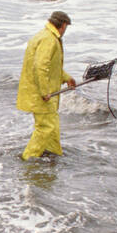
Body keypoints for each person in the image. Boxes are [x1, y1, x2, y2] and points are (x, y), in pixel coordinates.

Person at [16, 10, 76, 159]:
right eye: (65, 28)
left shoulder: (43, 35)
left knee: (53, 126)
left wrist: (66, 78)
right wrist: (44, 92)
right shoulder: (49, 39)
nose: (64, 31)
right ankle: (28, 159)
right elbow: (40, 67)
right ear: (62, 26)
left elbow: (52, 67)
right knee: (45, 127)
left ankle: (54, 154)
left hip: (41, 91)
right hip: (41, 94)